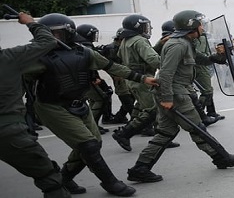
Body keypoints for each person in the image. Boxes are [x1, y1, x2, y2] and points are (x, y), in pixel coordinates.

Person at [27, 13, 159, 196]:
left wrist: (143, 78)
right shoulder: (35, 57)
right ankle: (110, 182)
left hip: (79, 104)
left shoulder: (84, 52)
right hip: (52, 106)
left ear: (69, 32)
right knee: (87, 144)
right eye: (48, 34)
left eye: (56, 34)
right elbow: (19, 84)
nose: (51, 38)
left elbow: (111, 66)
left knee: (93, 144)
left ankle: (64, 179)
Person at [126, 10, 234, 183]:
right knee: (197, 127)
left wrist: (220, 56)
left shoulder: (185, 42)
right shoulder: (178, 45)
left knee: (166, 132)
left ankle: (140, 168)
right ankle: (222, 158)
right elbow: (166, 73)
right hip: (175, 92)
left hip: (173, 91)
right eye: (200, 24)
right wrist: (167, 98)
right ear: (192, 26)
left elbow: (201, 59)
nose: (203, 27)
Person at [0, 12, 71, 198]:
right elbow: (47, 41)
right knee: (49, 177)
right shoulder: (8, 58)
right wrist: (31, 23)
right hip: (9, 131)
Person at [112, 14, 161, 151]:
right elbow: (153, 59)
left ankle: (159, 136)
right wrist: (170, 65)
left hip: (133, 79)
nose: (147, 29)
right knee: (153, 110)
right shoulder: (139, 40)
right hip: (144, 79)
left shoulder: (125, 41)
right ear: (137, 27)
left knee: (140, 107)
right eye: (145, 26)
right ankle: (124, 134)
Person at [76, 24, 114, 134]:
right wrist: (94, 77)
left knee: (94, 100)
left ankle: (93, 125)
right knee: (101, 99)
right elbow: (88, 65)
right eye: (92, 34)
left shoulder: (82, 46)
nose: (94, 36)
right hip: (87, 79)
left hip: (85, 79)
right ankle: (90, 126)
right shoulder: (85, 48)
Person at [97, 29, 134, 124]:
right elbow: (104, 63)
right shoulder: (111, 49)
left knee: (131, 96)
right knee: (126, 97)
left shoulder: (124, 47)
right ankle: (135, 121)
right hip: (119, 76)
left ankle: (120, 116)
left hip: (126, 74)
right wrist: (115, 75)